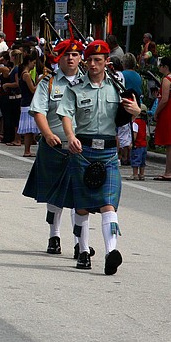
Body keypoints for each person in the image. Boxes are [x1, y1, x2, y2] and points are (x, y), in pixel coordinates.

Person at [58, 39, 140, 275]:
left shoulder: (116, 88)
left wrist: (136, 111)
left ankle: (110, 253)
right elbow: (65, 114)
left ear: (106, 62)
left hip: (107, 152)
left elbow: (131, 111)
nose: (93, 64)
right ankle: (83, 251)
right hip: (82, 151)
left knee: (108, 204)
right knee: (82, 207)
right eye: (90, 60)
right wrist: (70, 135)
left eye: (98, 60)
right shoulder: (76, 89)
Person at [22, 38, 89, 258]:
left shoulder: (88, 82)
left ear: (81, 58)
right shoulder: (48, 83)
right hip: (55, 145)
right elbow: (39, 111)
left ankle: (81, 243)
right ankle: (54, 235)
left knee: (79, 197)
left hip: (80, 147)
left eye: (75, 54)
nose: (71, 58)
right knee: (54, 196)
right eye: (67, 54)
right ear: (59, 57)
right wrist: (47, 134)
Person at [15, 54, 40, 157]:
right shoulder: (26, 75)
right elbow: (33, 89)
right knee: (29, 129)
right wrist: (42, 81)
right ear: (29, 62)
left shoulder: (24, 74)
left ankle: (28, 150)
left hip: (26, 102)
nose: (34, 65)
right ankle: (27, 150)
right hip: (28, 103)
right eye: (33, 63)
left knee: (29, 130)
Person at [131, 106, 149, 180]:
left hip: (137, 145)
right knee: (142, 161)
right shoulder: (144, 123)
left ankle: (135, 174)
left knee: (135, 160)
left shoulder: (135, 123)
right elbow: (146, 134)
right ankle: (142, 174)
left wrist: (132, 142)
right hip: (143, 144)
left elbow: (135, 134)